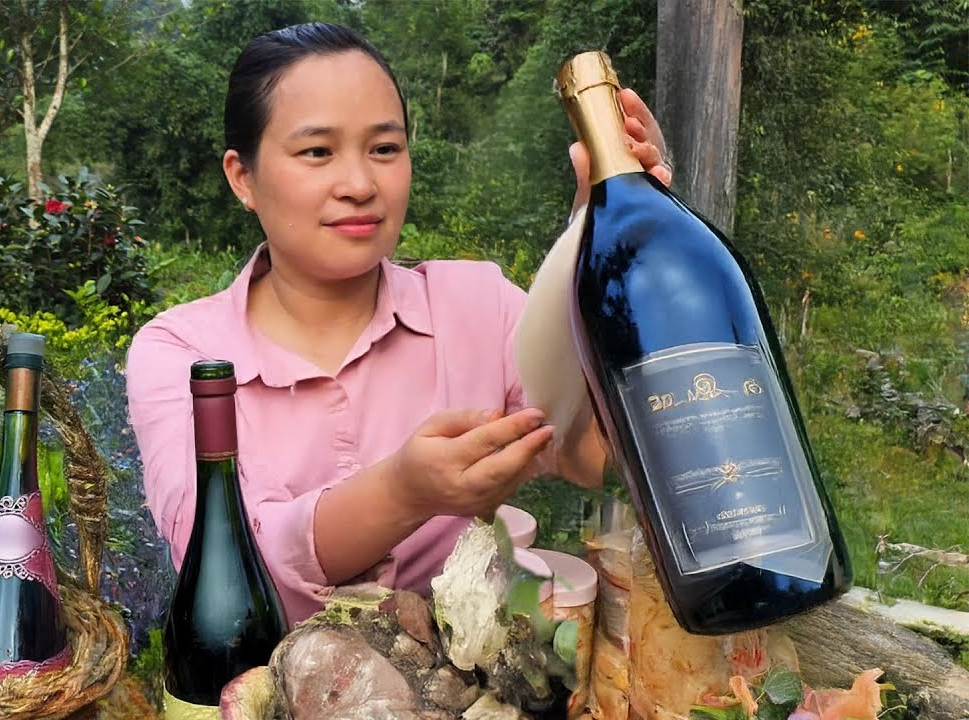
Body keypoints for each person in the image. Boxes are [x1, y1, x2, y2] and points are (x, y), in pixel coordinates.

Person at [126, 22, 672, 626]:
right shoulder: (182, 352)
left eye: (384, 148)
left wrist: (604, 245)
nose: (361, 185)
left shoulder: (477, 306)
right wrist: (402, 493)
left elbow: (591, 452)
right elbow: (218, 568)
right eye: (317, 152)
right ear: (242, 177)